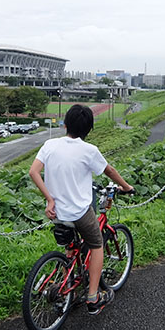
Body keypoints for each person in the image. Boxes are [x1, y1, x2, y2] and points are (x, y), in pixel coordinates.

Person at [29, 104, 134, 315]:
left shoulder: (50, 145)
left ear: (65, 124)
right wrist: (126, 187)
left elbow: (33, 172)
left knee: (72, 245)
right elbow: (109, 171)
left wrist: (49, 199)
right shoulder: (89, 150)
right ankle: (93, 297)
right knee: (96, 245)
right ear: (89, 129)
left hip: (56, 213)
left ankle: (69, 286)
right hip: (79, 212)